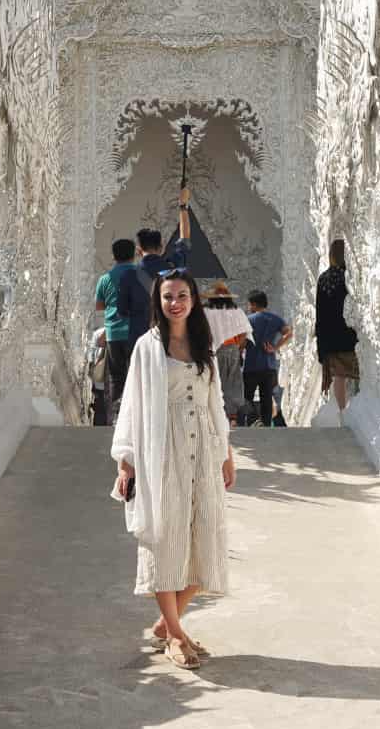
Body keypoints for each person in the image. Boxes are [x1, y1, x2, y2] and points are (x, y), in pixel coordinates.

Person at [110, 270, 235, 671]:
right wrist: (126, 459)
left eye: (182, 295)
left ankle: (168, 623)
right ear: (158, 302)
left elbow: (214, 400)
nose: (175, 303)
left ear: (194, 300)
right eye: (167, 297)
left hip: (204, 446)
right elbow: (131, 403)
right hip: (162, 451)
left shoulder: (203, 345)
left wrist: (227, 451)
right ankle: (178, 638)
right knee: (167, 537)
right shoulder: (147, 348)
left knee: (205, 536)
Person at [94, 238, 149, 415]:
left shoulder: (104, 279)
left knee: (116, 377)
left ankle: (119, 413)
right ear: (133, 254)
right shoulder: (141, 275)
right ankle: (140, 412)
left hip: (114, 334)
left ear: (114, 256)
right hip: (138, 332)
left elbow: (99, 306)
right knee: (139, 374)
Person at [315, 238, 360, 416]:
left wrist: (320, 341)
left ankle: (343, 412)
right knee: (358, 373)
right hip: (349, 333)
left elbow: (320, 310)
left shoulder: (324, 278)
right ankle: (358, 409)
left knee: (339, 377)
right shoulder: (349, 276)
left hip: (329, 336)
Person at [242, 290, 292, 426]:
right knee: (266, 398)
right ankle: (266, 426)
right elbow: (288, 333)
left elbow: (241, 342)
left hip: (251, 366)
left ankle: (252, 421)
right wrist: (275, 348)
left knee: (247, 397)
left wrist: (241, 351)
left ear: (253, 304)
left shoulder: (248, 320)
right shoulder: (275, 319)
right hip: (269, 366)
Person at [204, 282, 251, 422]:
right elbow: (244, 333)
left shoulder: (205, 311)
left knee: (215, 381)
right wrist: (238, 347)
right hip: (232, 349)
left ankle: (216, 413)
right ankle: (232, 415)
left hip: (213, 349)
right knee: (233, 382)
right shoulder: (236, 311)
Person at [137, 187, 193, 279]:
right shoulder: (171, 267)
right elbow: (184, 240)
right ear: (161, 248)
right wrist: (183, 206)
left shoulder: (129, 275)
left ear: (139, 251)